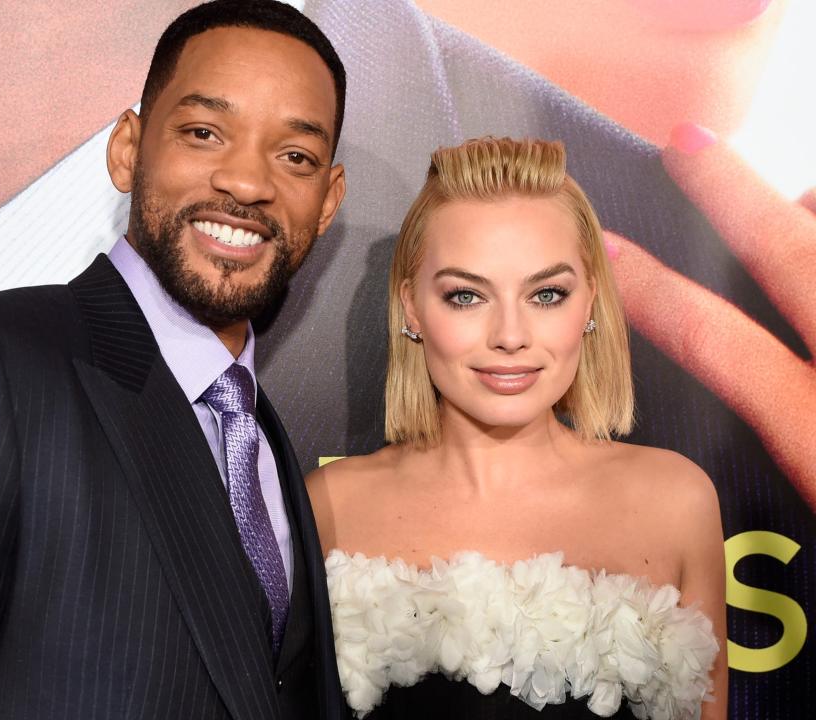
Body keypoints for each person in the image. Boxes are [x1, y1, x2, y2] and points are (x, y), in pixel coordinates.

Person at [0, 1, 347, 718]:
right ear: (127, 150)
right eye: (205, 133)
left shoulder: (262, 435)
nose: (246, 183)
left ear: (327, 201)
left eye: (294, 155)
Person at [308, 137, 727, 719]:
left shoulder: (676, 501)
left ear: (590, 304)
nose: (510, 335)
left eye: (547, 294)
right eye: (466, 296)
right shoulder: (329, 505)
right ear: (411, 308)